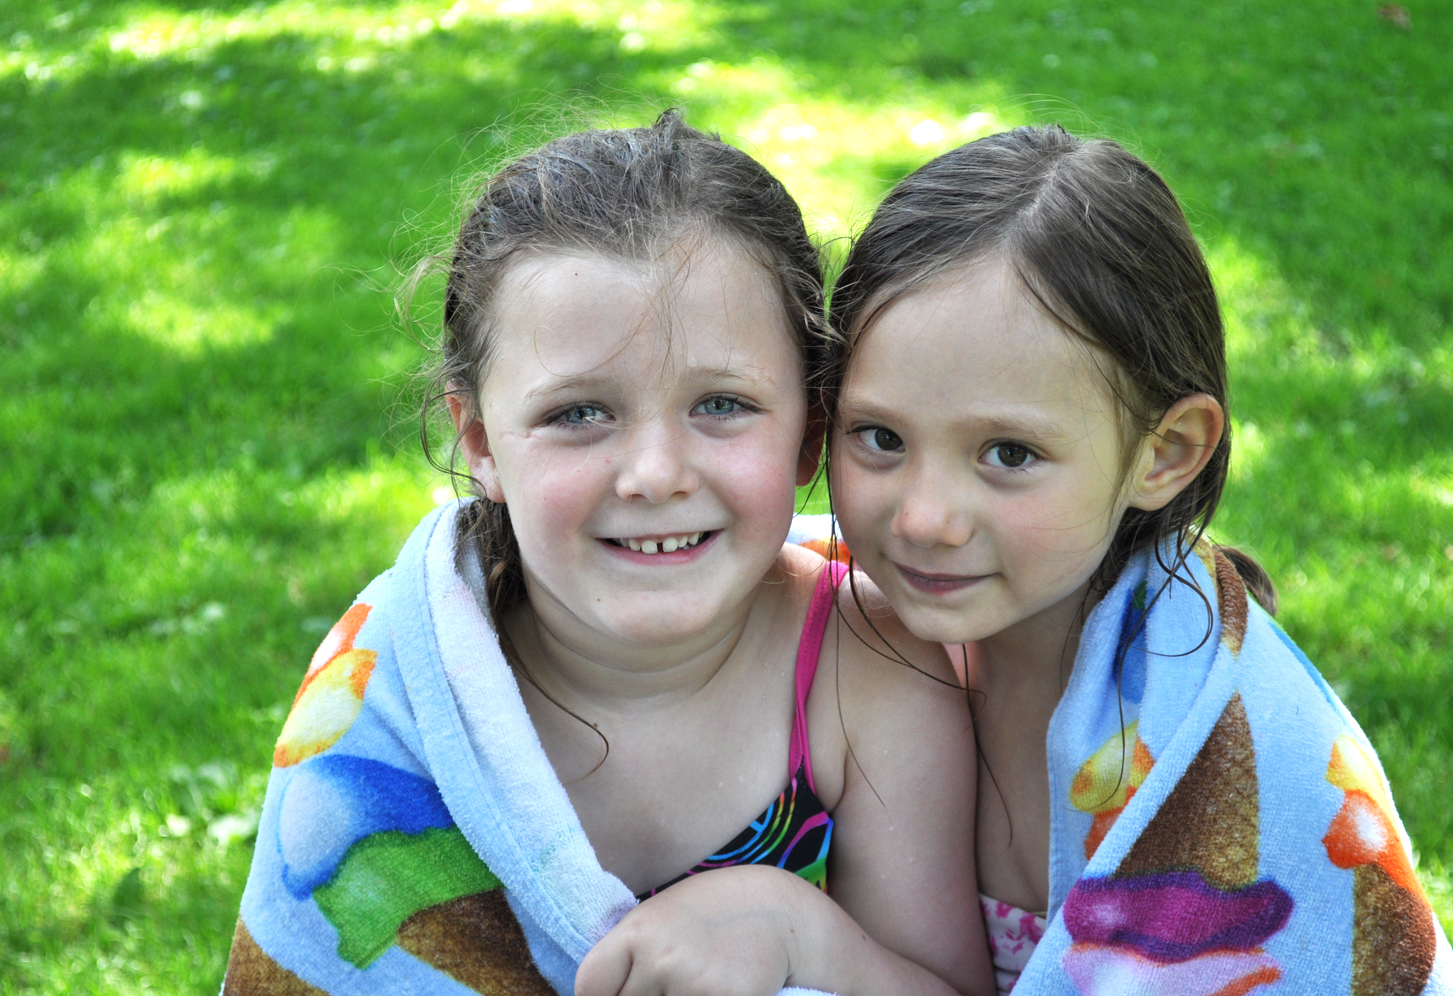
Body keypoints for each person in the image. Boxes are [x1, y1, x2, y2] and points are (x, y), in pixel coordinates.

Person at [582, 125, 1451, 996]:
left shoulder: (1247, 756)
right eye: (880, 437)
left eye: (1008, 454)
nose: (925, 519)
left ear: (1166, 453)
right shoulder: (826, 645)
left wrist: (803, 932)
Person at [222, 111, 995, 996]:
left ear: (810, 432)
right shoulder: (396, 694)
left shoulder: (868, 677)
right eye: (579, 414)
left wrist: (797, 933)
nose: (655, 475)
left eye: (723, 405)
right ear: (479, 442)